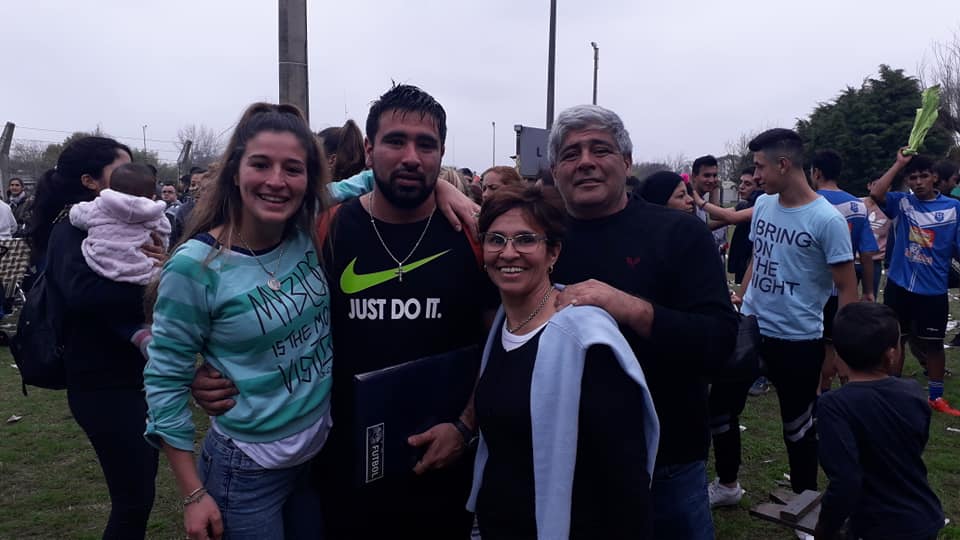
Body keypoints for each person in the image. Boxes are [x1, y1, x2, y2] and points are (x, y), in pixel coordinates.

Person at [191, 84, 495, 540]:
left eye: (426, 144)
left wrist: (465, 426)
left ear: (442, 154)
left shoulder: (473, 234)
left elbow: (502, 343)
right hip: (336, 464)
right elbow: (232, 294)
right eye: (395, 141)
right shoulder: (319, 228)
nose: (411, 157)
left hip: (443, 465)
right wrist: (206, 370)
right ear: (369, 150)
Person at [546, 105, 738, 539]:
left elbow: (719, 343)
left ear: (627, 162)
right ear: (555, 171)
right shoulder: (538, 238)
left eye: (600, 149)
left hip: (666, 461)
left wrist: (629, 307)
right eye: (571, 154)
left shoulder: (679, 233)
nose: (586, 162)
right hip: (566, 460)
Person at [144, 102, 333, 540]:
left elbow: (365, 183)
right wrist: (193, 493)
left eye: (293, 169)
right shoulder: (195, 268)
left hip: (314, 457)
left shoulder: (302, 231)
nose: (276, 181)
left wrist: (444, 188)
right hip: (246, 472)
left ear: (309, 181)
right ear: (234, 172)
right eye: (261, 164)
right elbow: (165, 381)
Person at [467, 184, 659, 539]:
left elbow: (625, 479)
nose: (508, 252)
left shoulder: (586, 341)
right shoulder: (501, 326)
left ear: (553, 252)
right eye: (496, 240)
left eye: (525, 239)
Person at [28, 135, 161, 538]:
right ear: (89, 181)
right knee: (133, 500)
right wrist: (158, 284)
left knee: (140, 493)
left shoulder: (130, 224)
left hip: (132, 376)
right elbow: (86, 295)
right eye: (121, 170)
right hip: (102, 384)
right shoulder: (71, 228)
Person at [734, 129, 858, 501]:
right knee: (721, 409)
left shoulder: (827, 220)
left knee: (799, 428)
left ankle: (806, 503)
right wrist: (742, 297)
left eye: (760, 167)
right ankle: (725, 485)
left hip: (798, 340)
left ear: (784, 164)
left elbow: (847, 288)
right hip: (749, 328)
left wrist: (845, 349)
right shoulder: (764, 205)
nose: (756, 176)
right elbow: (758, 257)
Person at [815, 302, 944, 540]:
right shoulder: (913, 392)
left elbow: (845, 481)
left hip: (877, 526)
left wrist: (825, 529)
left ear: (837, 357)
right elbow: (917, 444)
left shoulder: (834, 406)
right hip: (924, 517)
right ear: (892, 355)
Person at [869, 150, 960, 416]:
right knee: (896, 340)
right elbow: (876, 192)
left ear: (935, 177)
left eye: (923, 176)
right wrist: (899, 163)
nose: (918, 182)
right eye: (913, 177)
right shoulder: (902, 203)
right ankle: (892, 391)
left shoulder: (953, 208)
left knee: (934, 343)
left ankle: (936, 396)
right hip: (900, 286)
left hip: (933, 289)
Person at [810, 149, 879, 397]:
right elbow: (867, 252)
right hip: (845, 287)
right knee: (840, 342)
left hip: (813, 287)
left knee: (817, 344)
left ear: (816, 173)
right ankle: (846, 393)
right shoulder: (858, 205)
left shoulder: (810, 202)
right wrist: (868, 290)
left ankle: (821, 395)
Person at [68, 163, 170, 285]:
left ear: (111, 188)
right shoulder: (157, 215)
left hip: (100, 264)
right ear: (152, 196)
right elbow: (164, 237)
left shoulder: (98, 206)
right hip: (143, 272)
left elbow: (75, 215)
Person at [691, 154, 727, 253]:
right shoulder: (689, 202)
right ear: (694, 177)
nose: (711, 180)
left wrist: (714, 190)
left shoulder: (701, 199)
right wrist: (730, 218)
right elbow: (701, 230)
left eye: (714, 176)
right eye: (706, 175)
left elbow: (715, 216)